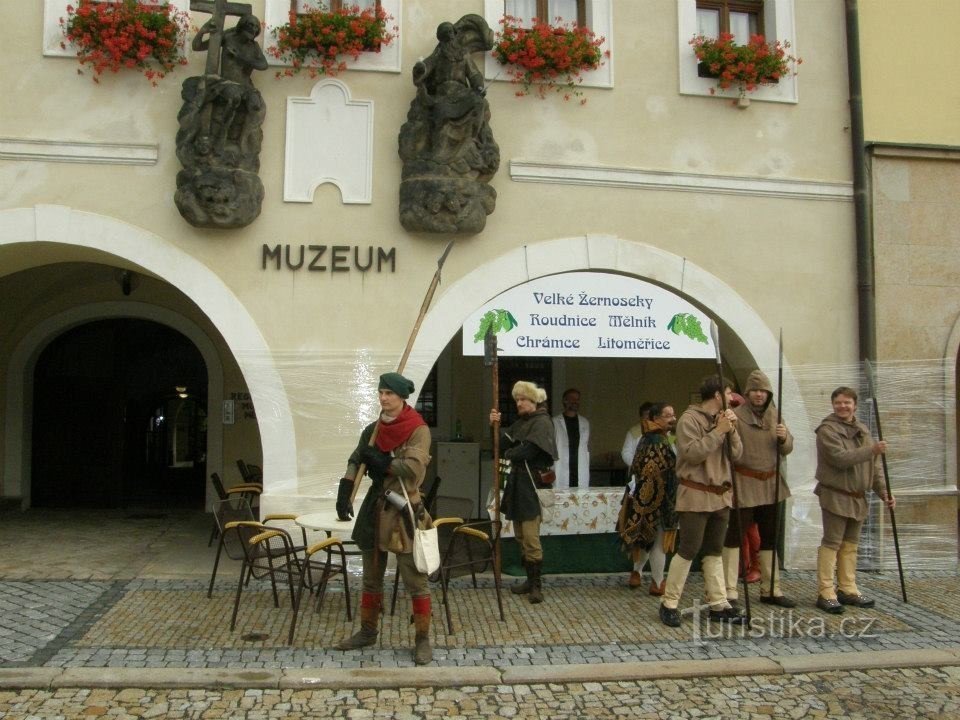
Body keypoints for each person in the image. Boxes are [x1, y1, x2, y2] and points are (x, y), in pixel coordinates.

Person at [334, 372, 434, 664]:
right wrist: (345, 489)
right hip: (375, 508)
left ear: (402, 397)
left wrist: (384, 462)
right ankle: (367, 631)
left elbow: (414, 470)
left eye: (389, 393)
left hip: (404, 509)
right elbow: (356, 458)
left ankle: (423, 639)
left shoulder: (418, 429)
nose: (383, 397)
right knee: (370, 578)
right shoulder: (373, 429)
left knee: (416, 579)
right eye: (381, 392)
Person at [659, 375, 744, 627]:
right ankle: (669, 602)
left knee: (714, 550)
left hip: (721, 495)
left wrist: (732, 431)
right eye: (728, 394)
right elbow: (693, 454)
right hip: (695, 494)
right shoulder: (689, 419)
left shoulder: (724, 421)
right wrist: (718, 432)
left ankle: (718, 603)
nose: (732, 399)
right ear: (718, 396)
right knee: (688, 549)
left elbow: (737, 454)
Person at [813, 386, 895, 614]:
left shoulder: (862, 430)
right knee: (832, 543)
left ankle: (847, 588)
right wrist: (871, 450)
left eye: (847, 403)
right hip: (835, 496)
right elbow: (839, 458)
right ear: (833, 404)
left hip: (858, 498)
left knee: (850, 545)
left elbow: (875, 467)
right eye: (838, 402)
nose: (842, 406)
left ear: (854, 405)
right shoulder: (826, 430)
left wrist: (885, 493)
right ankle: (825, 591)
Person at [721, 370, 796, 609]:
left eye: (763, 390)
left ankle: (771, 589)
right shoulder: (736, 416)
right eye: (755, 390)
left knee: (770, 538)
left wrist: (784, 438)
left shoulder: (776, 415)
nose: (759, 394)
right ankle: (729, 590)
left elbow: (787, 449)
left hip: (772, 485)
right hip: (744, 483)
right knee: (734, 537)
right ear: (748, 393)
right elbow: (730, 451)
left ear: (768, 393)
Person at [489, 381, 558, 604]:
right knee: (520, 535)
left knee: (530, 537)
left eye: (523, 400)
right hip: (519, 485)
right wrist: (494, 425)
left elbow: (528, 451)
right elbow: (503, 441)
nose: (519, 403)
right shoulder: (523, 423)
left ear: (534, 401)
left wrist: (509, 453)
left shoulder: (542, 423)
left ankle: (536, 586)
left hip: (532, 488)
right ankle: (529, 581)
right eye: (517, 399)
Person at [616, 403, 678, 595]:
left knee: (643, 537)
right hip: (659, 500)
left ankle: (637, 572)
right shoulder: (657, 440)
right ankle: (658, 583)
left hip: (643, 498)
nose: (673, 418)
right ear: (655, 419)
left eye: (673, 415)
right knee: (656, 540)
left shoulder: (647, 438)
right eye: (668, 415)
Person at [553, 388, 590, 489]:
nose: (575, 402)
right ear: (565, 401)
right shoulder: (555, 422)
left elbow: (585, 446)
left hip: (579, 468)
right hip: (561, 467)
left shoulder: (585, 423)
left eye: (577, 399)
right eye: (572, 399)